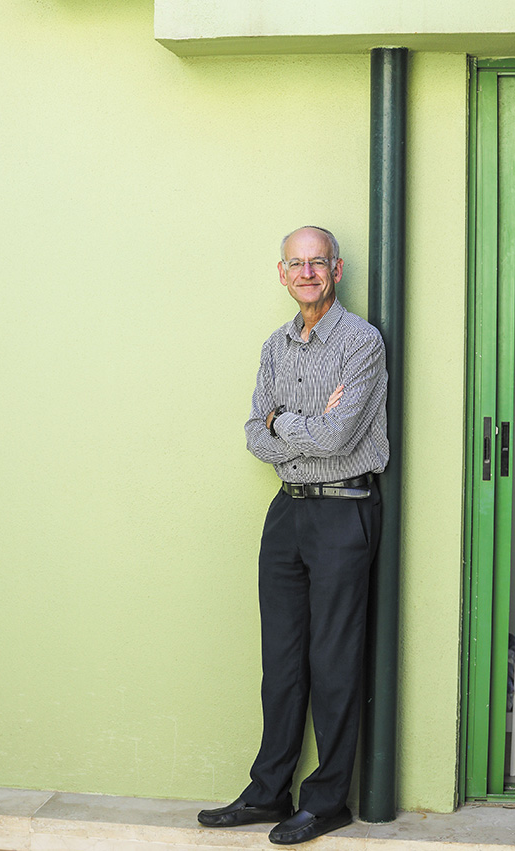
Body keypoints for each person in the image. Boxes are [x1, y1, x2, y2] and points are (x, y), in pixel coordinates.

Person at [197, 226, 389, 845]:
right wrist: (292, 424)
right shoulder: (275, 346)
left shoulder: (360, 342)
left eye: (317, 262)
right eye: (296, 264)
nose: (307, 272)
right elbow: (255, 435)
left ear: (336, 269)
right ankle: (268, 792)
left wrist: (284, 422)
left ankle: (327, 801)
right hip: (287, 513)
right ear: (282, 274)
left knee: (333, 661)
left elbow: (338, 438)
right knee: (280, 662)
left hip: (344, 511)